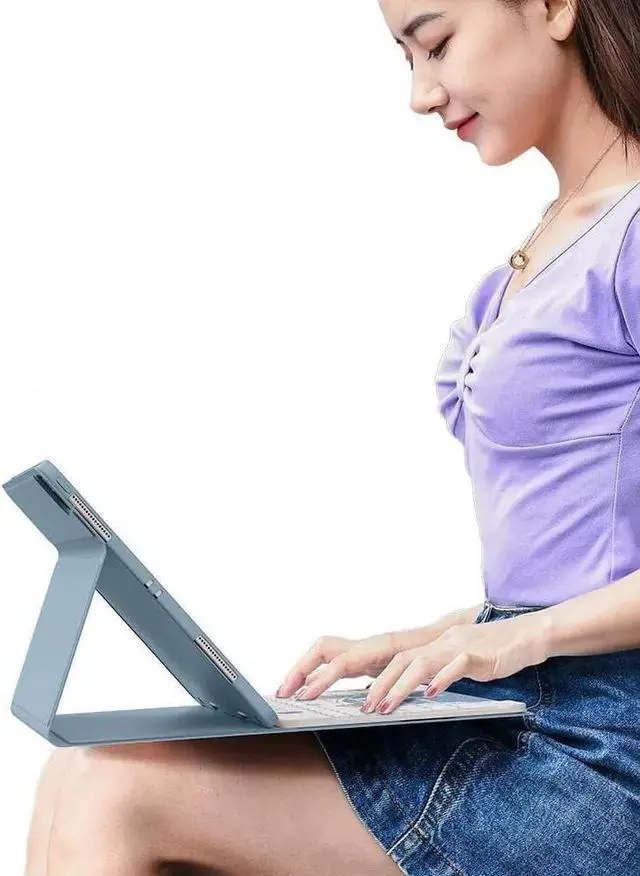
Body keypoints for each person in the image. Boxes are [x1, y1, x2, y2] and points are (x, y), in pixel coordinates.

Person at [26, 1, 640, 874]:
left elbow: (559, 624)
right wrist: (436, 636)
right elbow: (583, 565)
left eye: (437, 43)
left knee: (111, 789)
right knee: (82, 770)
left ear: (552, 7)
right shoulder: (549, 240)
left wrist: (513, 639)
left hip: (604, 752)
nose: (422, 93)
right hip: (522, 710)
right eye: (405, 59)